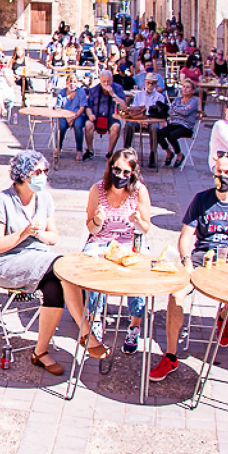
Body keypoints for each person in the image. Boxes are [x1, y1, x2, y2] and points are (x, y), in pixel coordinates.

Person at [151, 150, 228, 383]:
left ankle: (224, 316)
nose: (223, 176)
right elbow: (185, 236)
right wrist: (187, 260)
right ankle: (170, 355)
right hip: (202, 258)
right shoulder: (202, 199)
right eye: (219, 171)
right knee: (175, 296)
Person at [0, 151, 85, 376]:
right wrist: (25, 232)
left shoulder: (45, 198)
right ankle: (85, 330)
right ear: (23, 175)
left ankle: (40, 352)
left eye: (45, 171)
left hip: (40, 260)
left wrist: (39, 235)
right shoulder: (2, 201)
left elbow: (53, 238)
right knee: (62, 265)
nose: (43, 176)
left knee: (56, 286)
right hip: (9, 263)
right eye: (37, 172)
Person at [76, 149, 155, 365]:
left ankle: (134, 325)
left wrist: (138, 221)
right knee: (91, 267)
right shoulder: (98, 189)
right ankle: (95, 319)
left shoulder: (139, 191)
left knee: (138, 273)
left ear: (133, 173)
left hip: (129, 242)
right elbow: (91, 227)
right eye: (116, 169)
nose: (119, 175)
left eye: (125, 172)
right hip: (102, 241)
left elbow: (145, 227)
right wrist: (99, 221)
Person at [156, 81, 202, 168]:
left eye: (187, 87)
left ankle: (179, 154)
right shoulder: (177, 99)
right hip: (174, 124)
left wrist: (175, 109)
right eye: (183, 86)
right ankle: (169, 152)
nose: (184, 89)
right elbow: (170, 112)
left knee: (171, 135)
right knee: (158, 133)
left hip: (186, 126)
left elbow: (186, 112)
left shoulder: (195, 100)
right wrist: (179, 109)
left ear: (192, 91)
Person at [80, 75, 122, 161]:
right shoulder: (94, 90)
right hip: (96, 115)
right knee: (88, 124)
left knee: (116, 126)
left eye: (108, 81)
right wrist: (90, 114)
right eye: (104, 81)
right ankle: (90, 150)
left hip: (111, 116)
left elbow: (124, 106)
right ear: (100, 80)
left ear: (112, 80)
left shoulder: (118, 88)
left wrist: (113, 94)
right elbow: (87, 106)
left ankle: (109, 153)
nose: (106, 84)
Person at [50, 79, 87, 167]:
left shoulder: (81, 92)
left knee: (78, 126)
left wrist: (73, 117)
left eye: (74, 82)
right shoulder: (62, 92)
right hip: (64, 115)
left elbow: (82, 107)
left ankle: (79, 150)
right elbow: (58, 107)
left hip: (77, 115)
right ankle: (58, 148)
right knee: (61, 126)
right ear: (66, 83)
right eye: (70, 82)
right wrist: (66, 117)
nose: (72, 84)